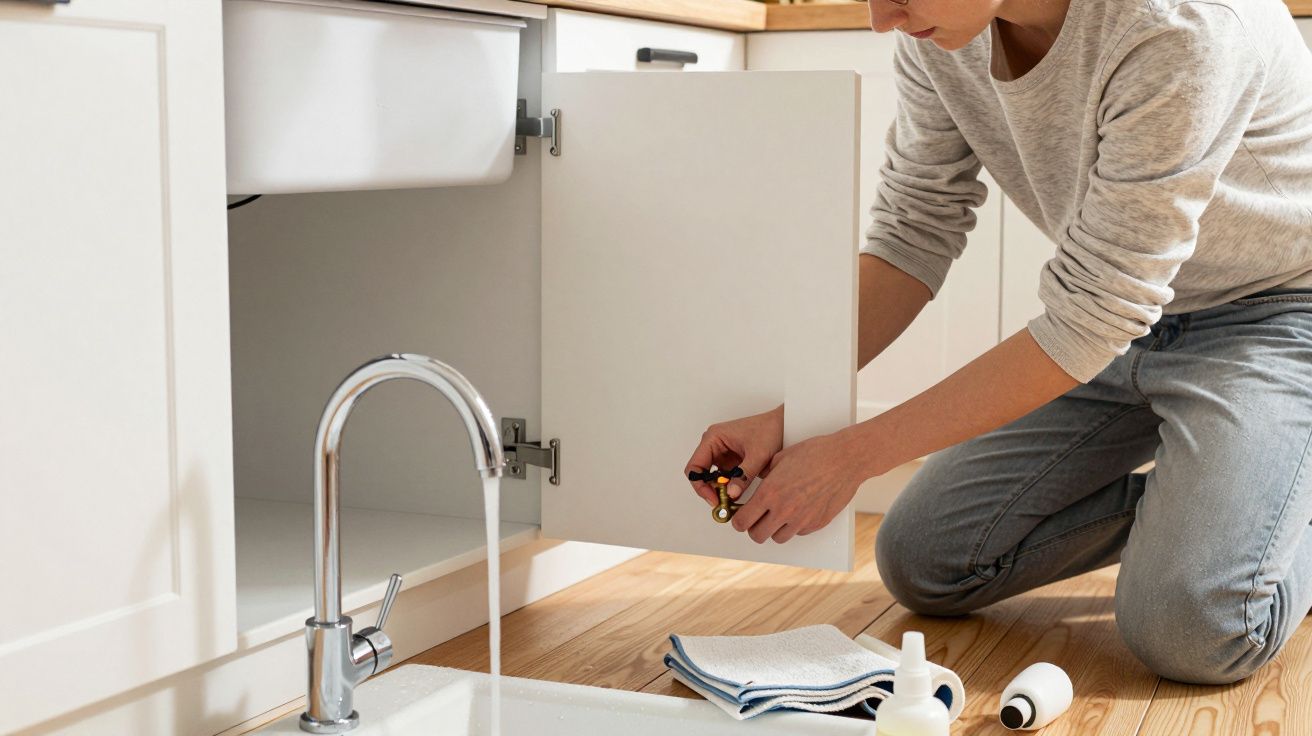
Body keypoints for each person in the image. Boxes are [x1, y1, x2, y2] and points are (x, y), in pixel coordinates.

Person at [684, 0, 1312, 686]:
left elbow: (1094, 313)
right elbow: (911, 230)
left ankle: (1253, 518)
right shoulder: (938, 28)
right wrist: (791, 399)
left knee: (1194, 630)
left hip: (1278, 316)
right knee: (925, 561)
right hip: (1121, 323)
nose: (879, 17)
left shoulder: (1183, 25)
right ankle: (1229, 511)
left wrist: (852, 455)